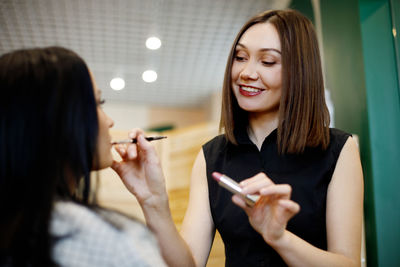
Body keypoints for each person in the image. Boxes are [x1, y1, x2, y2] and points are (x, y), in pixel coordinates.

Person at [112, 9, 364, 267]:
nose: (246, 72)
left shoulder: (338, 149)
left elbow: (347, 263)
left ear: (299, 70)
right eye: (240, 57)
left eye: (267, 62)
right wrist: (153, 201)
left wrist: (279, 237)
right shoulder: (211, 156)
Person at [0, 47, 167, 266]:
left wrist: (151, 199)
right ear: (61, 121)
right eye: (98, 104)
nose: (110, 121)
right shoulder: (113, 243)